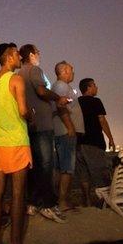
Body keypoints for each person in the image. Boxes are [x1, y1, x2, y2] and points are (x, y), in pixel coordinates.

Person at [0, 43, 34, 244]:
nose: (19, 57)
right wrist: (31, 113)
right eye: (16, 54)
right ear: (9, 56)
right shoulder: (16, 79)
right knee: (17, 194)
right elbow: (23, 111)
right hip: (16, 142)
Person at [18, 44, 68, 223]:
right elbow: (41, 90)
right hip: (43, 126)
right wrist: (57, 97)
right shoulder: (34, 70)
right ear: (31, 55)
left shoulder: (17, 74)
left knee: (34, 167)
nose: (39, 54)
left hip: (29, 126)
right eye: (38, 52)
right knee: (46, 166)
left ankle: (32, 203)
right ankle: (48, 205)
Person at [51, 61, 85, 212]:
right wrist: (70, 127)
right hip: (65, 132)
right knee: (67, 169)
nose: (73, 72)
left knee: (60, 168)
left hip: (63, 132)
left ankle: (57, 199)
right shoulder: (61, 86)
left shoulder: (61, 86)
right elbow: (60, 106)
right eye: (71, 69)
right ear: (64, 71)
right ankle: (62, 202)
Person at [77, 78, 115, 207]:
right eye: (94, 85)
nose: (96, 87)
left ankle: (86, 201)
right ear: (88, 87)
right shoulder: (96, 101)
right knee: (101, 173)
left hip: (79, 143)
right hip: (94, 142)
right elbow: (102, 120)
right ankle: (106, 202)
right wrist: (110, 138)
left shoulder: (76, 102)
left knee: (84, 174)